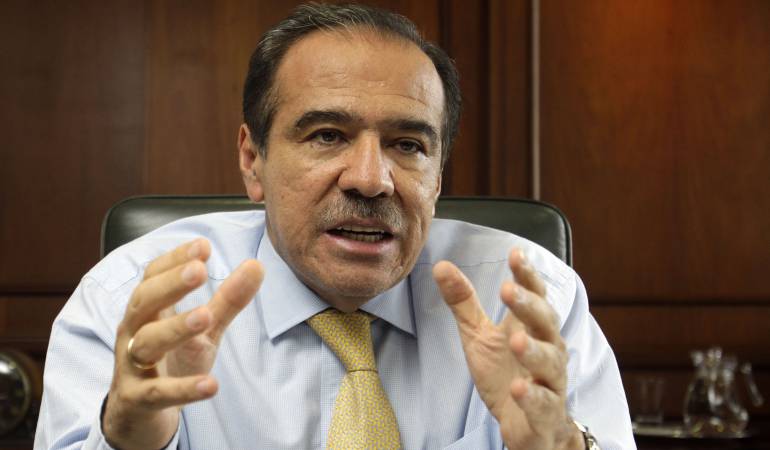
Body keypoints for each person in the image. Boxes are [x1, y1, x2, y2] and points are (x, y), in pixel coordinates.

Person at [35, 3, 634, 449]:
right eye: (327, 136)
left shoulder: (531, 303)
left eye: (408, 144)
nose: (371, 180)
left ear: (438, 176)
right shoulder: (133, 302)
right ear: (253, 159)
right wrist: (128, 438)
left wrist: (560, 447)